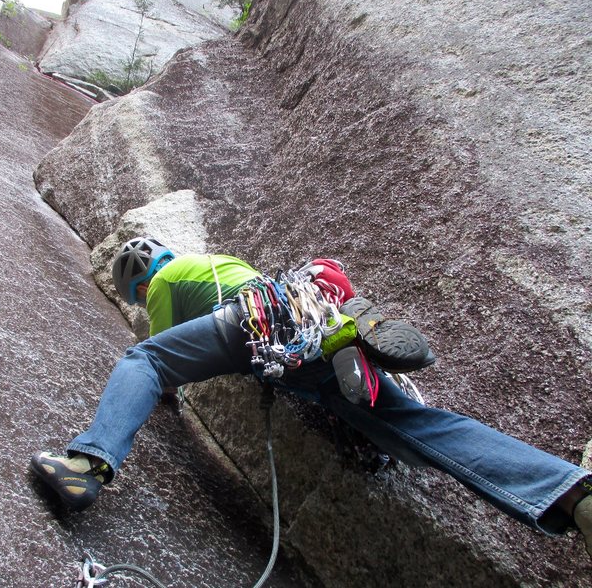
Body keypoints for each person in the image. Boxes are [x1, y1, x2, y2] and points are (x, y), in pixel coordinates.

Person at [31, 236, 592, 560]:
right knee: (417, 424)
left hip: (254, 323)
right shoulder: (221, 261)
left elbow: (160, 360)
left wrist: (162, 383)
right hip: (296, 322)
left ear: (138, 279)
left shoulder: (166, 277)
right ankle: (569, 494)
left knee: (143, 361)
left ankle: (88, 461)